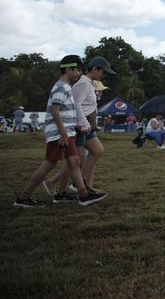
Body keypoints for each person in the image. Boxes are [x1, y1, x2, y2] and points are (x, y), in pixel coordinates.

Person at [13, 55, 106, 208]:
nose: (79, 73)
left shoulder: (67, 86)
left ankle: (83, 195)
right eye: (77, 70)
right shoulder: (61, 87)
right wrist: (63, 132)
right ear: (68, 69)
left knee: (74, 162)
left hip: (67, 132)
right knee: (49, 163)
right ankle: (24, 196)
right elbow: (54, 111)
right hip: (60, 133)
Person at [43, 56, 114, 197]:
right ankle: (75, 185)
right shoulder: (83, 83)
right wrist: (85, 124)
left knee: (90, 154)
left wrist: (93, 122)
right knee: (76, 160)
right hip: (80, 125)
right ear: (94, 69)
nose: (104, 75)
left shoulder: (90, 83)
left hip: (85, 124)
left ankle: (70, 185)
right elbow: (77, 106)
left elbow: (90, 106)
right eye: (103, 72)